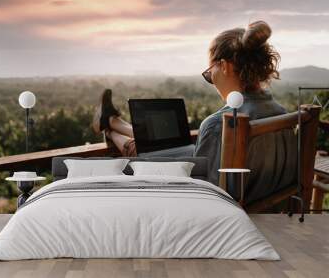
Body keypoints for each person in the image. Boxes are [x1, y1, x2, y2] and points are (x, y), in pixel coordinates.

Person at [92, 21, 296, 200]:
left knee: (147, 152)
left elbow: (204, 192)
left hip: (226, 209)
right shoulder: (283, 113)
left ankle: (109, 127)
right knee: (162, 144)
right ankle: (112, 122)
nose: (212, 81)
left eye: (209, 74)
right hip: (262, 199)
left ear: (224, 66)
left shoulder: (219, 125)